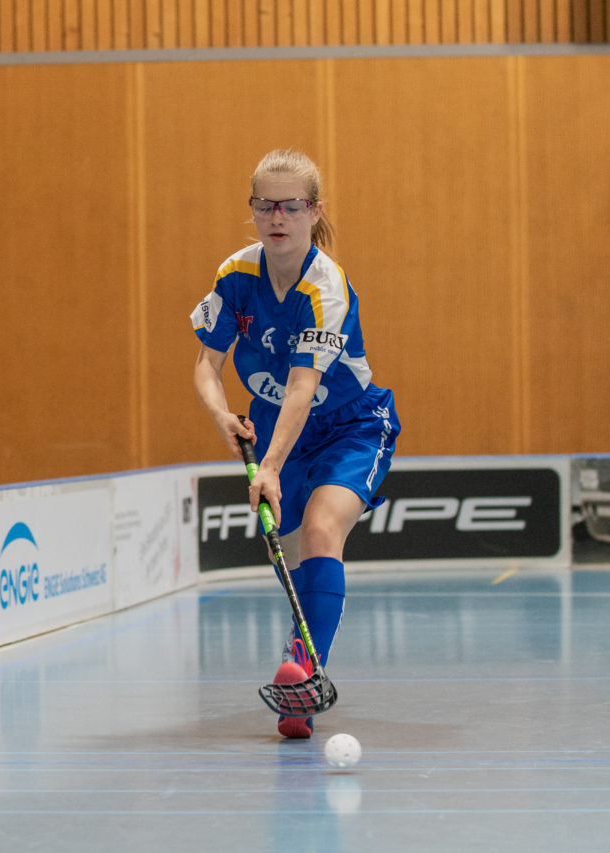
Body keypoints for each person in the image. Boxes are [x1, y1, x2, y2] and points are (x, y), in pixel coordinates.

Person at [190, 149, 400, 739]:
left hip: (351, 427)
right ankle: (299, 662)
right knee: (300, 555)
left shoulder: (324, 287)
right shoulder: (235, 275)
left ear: (314, 211)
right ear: (253, 210)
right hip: (280, 430)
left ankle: (304, 678)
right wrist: (220, 417)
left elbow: (304, 388)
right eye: (265, 206)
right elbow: (207, 365)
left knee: (318, 530)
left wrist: (272, 466)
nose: (277, 217)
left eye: (292, 206)